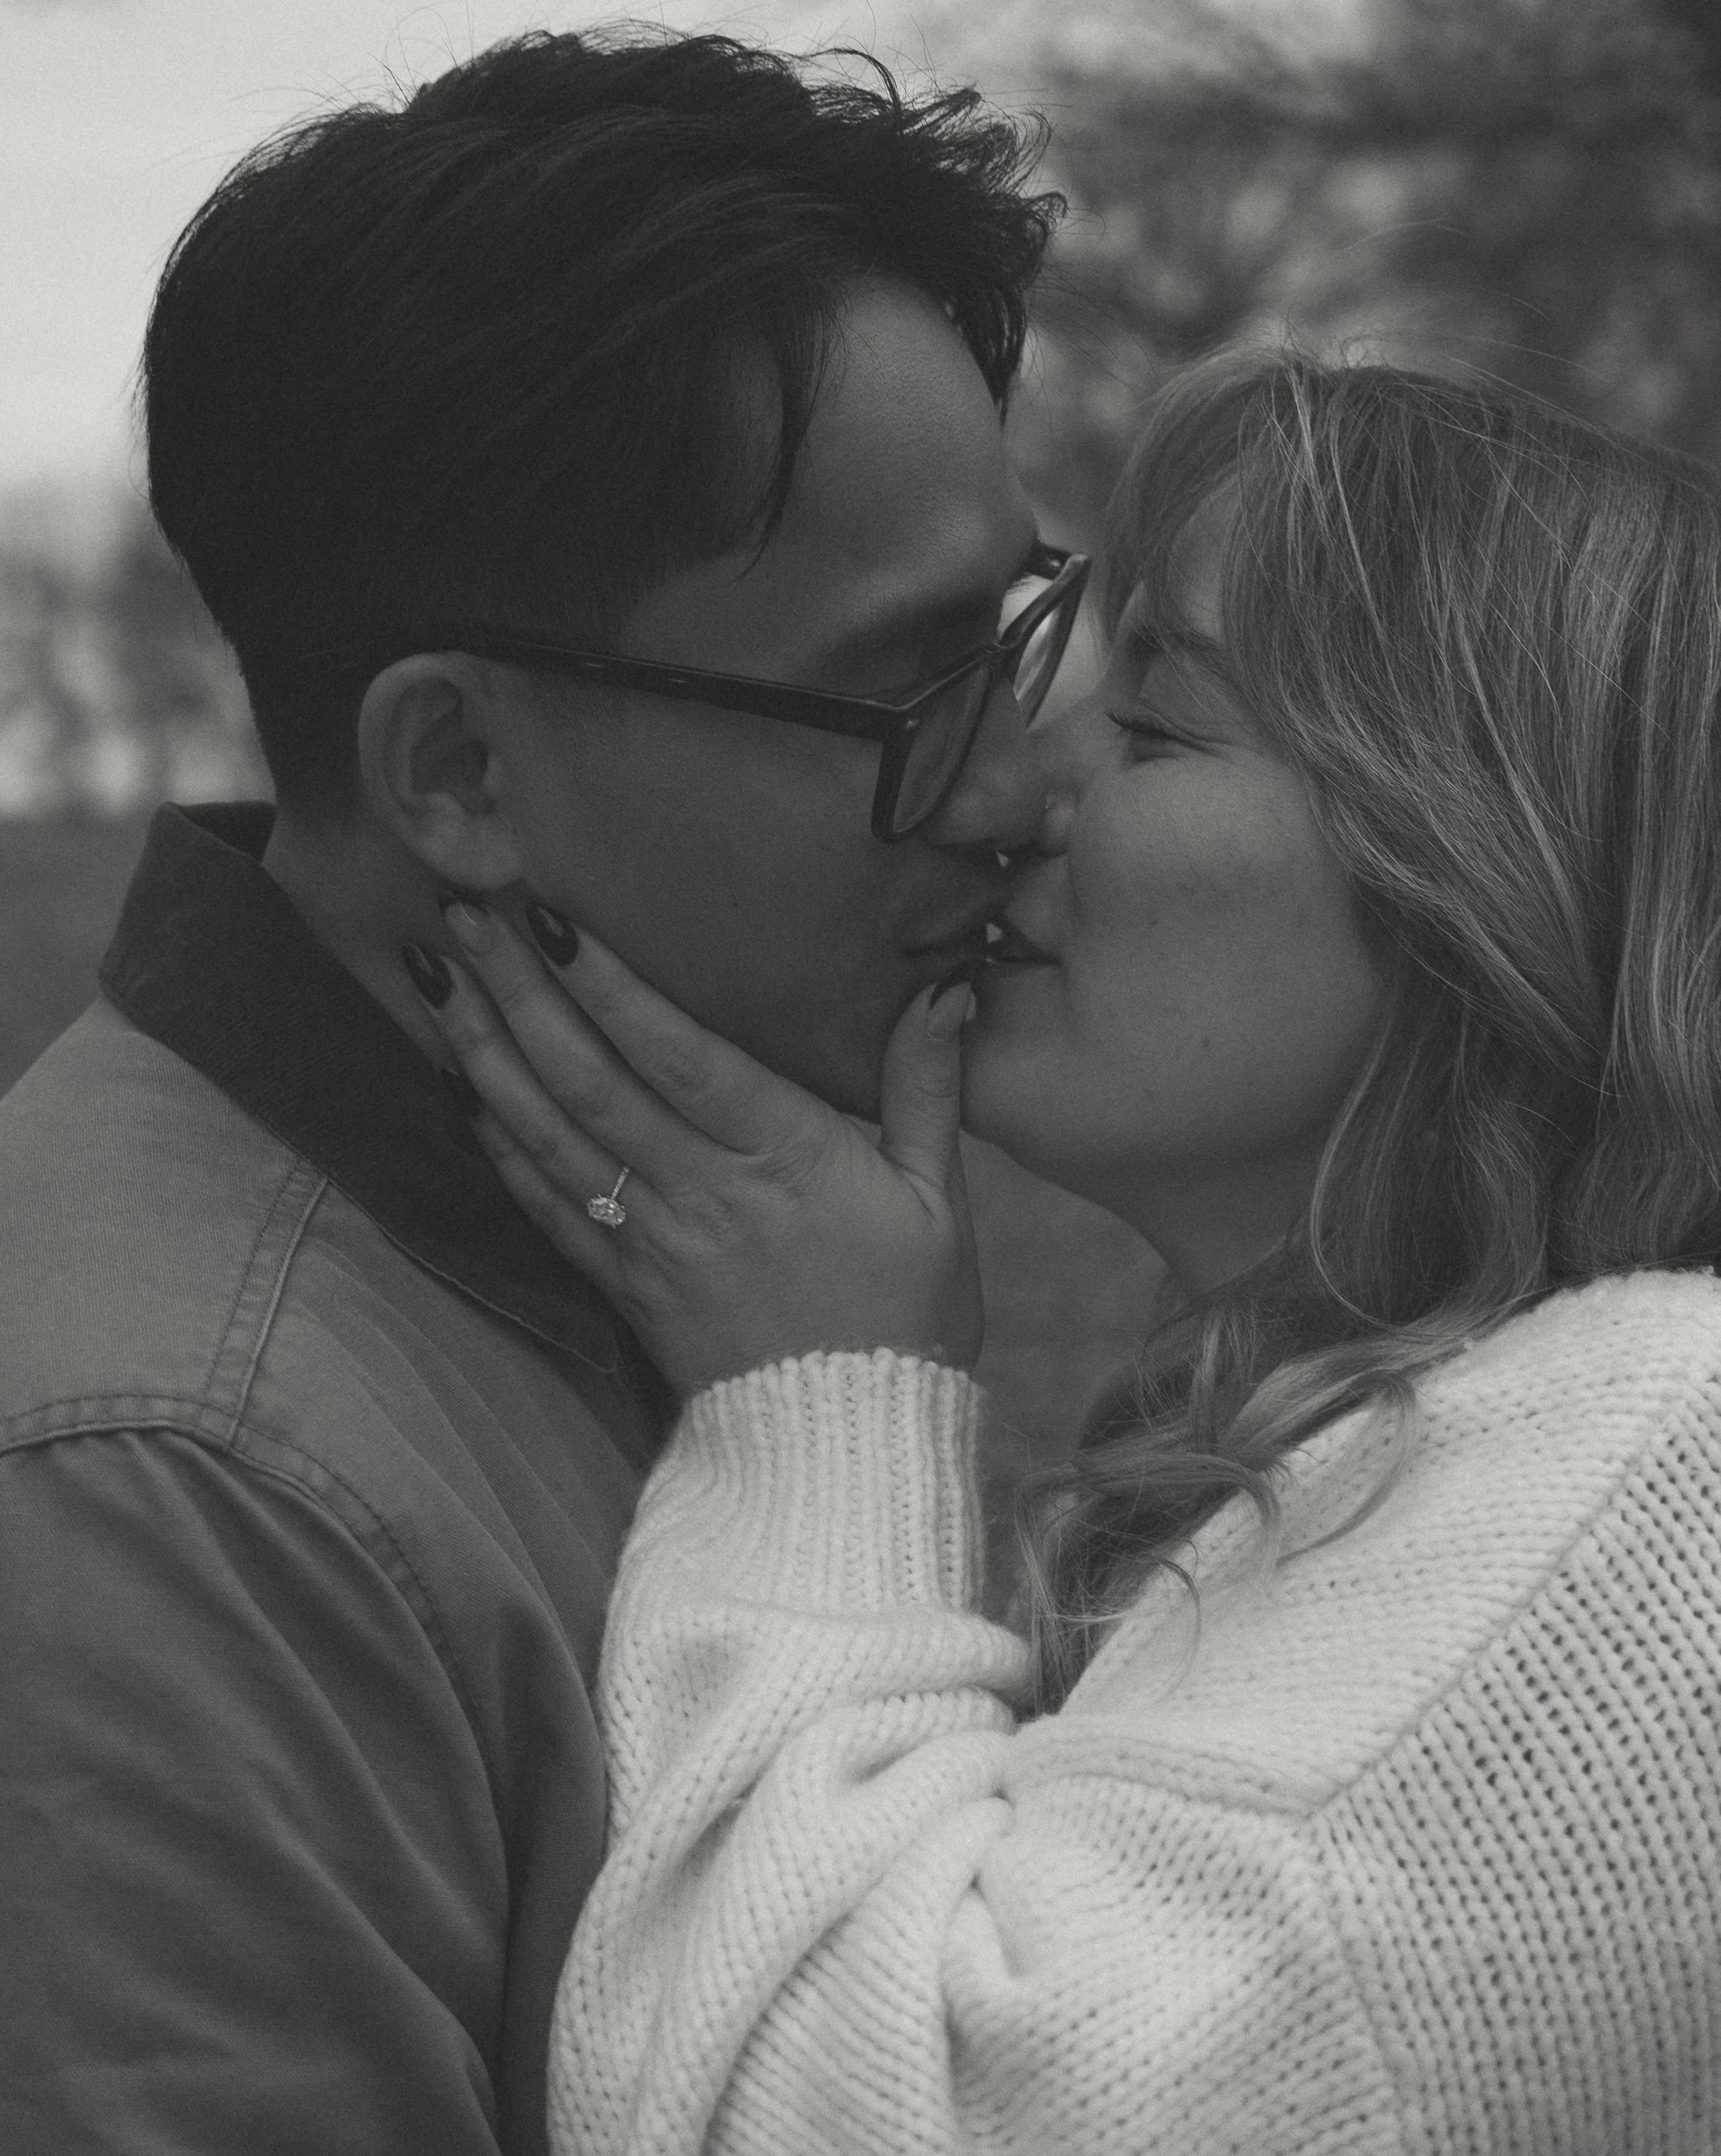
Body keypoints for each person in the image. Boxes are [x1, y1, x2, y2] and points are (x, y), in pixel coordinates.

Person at [418, 355, 1721, 2153]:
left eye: (1165, 728)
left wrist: (816, 1406)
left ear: (1496, 871)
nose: (1016, 786)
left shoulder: (1665, 1452)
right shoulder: (1498, 1439)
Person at [0, 32, 1071, 2156]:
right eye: (911, 682)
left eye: (1026, 633)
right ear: (461, 775)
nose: (1033, 788)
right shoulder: (168, 1493)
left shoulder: (701, 1241)